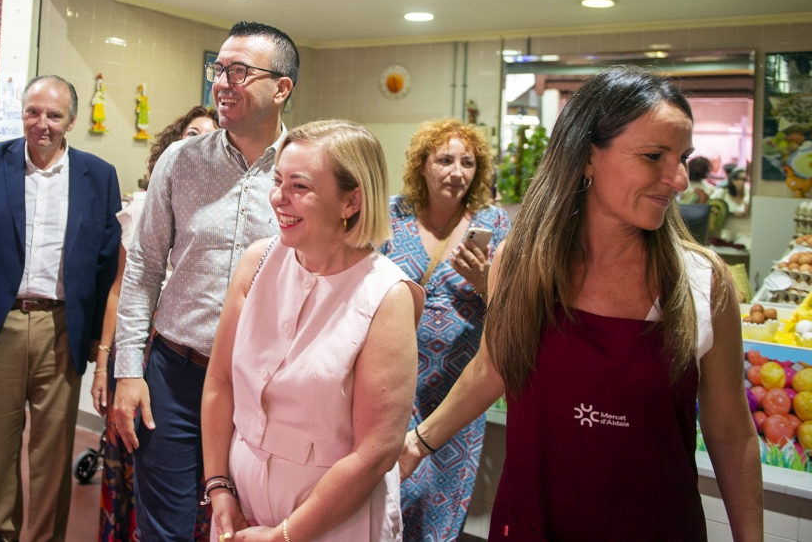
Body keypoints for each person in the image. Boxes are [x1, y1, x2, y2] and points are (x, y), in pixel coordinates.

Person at [400, 67, 763, 541]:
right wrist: (417, 443)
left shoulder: (704, 281)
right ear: (588, 156)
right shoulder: (521, 261)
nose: (679, 180)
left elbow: (731, 434)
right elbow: (493, 367)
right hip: (533, 523)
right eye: (654, 156)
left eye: (683, 157)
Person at [113, 21, 298, 542]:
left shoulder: (305, 168)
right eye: (218, 69)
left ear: (281, 87)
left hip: (262, 386)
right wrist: (130, 371)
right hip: (175, 374)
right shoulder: (181, 160)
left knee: (246, 524)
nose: (222, 82)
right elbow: (145, 266)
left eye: (239, 71)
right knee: (163, 531)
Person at [203, 120, 425, 542]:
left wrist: (286, 534)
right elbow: (219, 382)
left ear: (351, 201)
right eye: (277, 180)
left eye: (299, 187)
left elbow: (376, 452)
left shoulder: (386, 295)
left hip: (332, 520)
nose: (278, 198)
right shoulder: (258, 260)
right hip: (240, 503)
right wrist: (219, 487)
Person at [0, 75, 122, 542]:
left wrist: (95, 340)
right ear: (21, 112)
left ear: (72, 121)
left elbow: (106, 262)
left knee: (53, 449)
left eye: (54, 115)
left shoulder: (98, 175)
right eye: (33, 112)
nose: (41, 124)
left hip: (62, 326)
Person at [92, 106, 219, 542]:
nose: (199, 140)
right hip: (146, 349)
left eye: (210, 134)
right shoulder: (146, 205)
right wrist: (108, 360)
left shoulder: (223, 205)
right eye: (191, 132)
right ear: (174, 140)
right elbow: (123, 286)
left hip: (203, 361)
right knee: (143, 473)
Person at [382, 119, 509, 542]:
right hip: (393, 386)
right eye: (445, 160)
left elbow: (517, 311)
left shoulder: (495, 226)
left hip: (459, 395)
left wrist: (484, 281)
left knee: (442, 510)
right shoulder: (391, 216)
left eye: (468, 163)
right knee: (391, 501)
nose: (457, 171)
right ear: (422, 165)